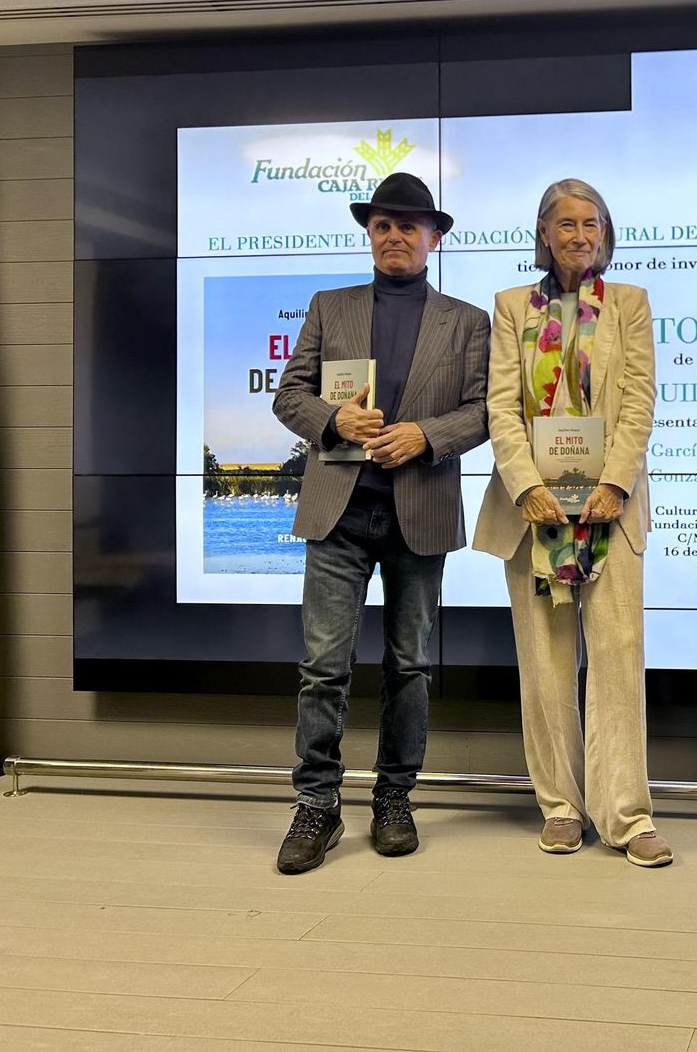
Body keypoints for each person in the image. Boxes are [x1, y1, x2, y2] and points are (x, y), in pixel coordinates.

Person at [272, 171, 491, 874]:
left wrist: (426, 434)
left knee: (410, 667)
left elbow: (487, 411)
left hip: (419, 511)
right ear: (369, 234)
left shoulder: (467, 321)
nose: (394, 236)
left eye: (409, 225)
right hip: (338, 510)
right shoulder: (328, 306)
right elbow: (289, 396)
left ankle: (394, 798)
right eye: (382, 225)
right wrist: (333, 418)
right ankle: (317, 805)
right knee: (323, 668)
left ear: (435, 237)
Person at [472, 178, 670, 868]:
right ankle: (560, 807)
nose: (579, 234)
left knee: (616, 662)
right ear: (544, 234)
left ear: (606, 234)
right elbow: (500, 407)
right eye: (565, 224)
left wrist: (616, 481)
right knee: (546, 666)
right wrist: (525, 487)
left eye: (591, 223)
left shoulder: (631, 305)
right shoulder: (508, 308)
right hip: (534, 515)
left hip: (612, 512)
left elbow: (640, 399)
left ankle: (627, 814)